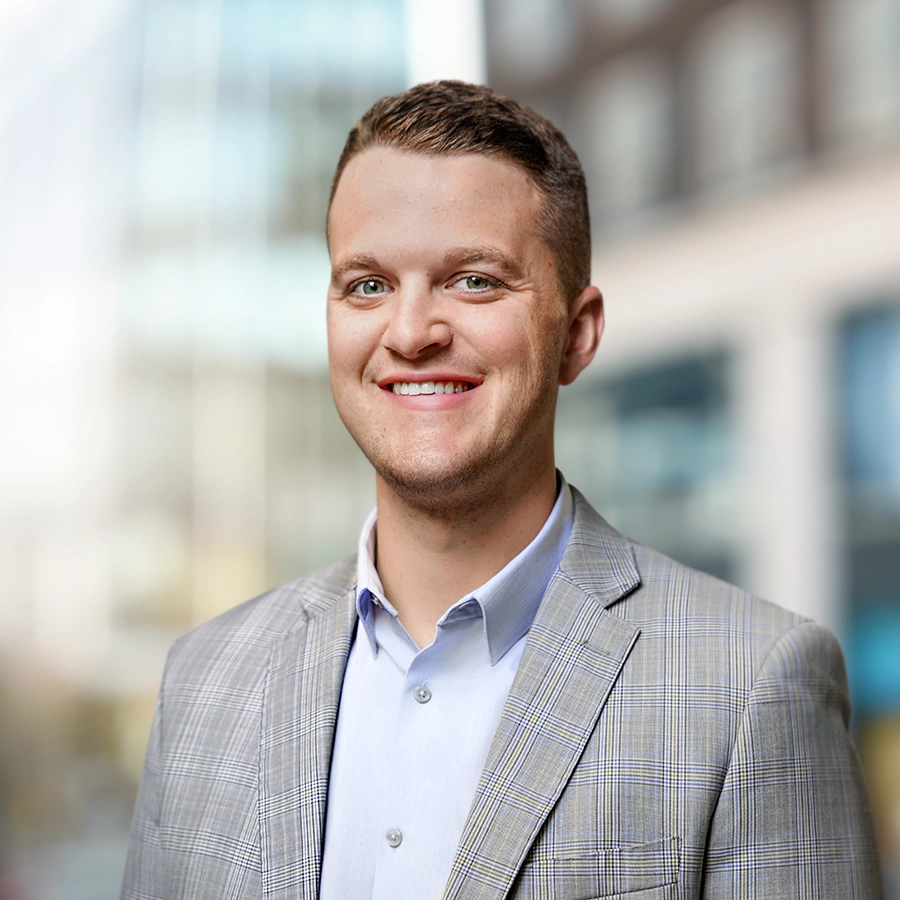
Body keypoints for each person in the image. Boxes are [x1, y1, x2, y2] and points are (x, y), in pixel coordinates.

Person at [121, 81, 882, 899]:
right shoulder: (202, 680)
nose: (411, 334)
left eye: (474, 281)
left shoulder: (753, 686)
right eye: (368, 285)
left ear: (577, 334)